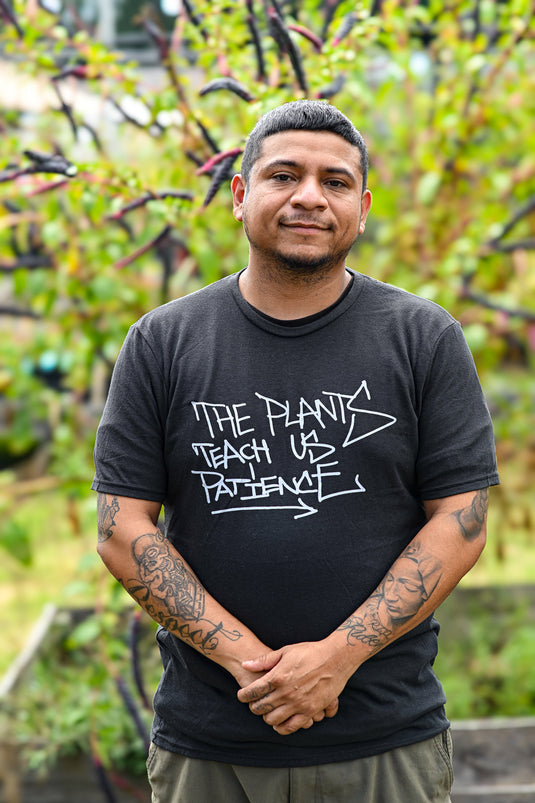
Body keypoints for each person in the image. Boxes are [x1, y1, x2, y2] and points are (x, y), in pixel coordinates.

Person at [92, 100, 499, 803]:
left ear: (362, 207)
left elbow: (460, 519)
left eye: (334, 182)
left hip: (382, 741)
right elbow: (120, 528)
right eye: (284, 175)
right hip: (211, 743)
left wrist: (336, 659)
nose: (309, 196)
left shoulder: (423, 337)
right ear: (241, 195)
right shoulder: (162, 341)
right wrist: (255, 664)